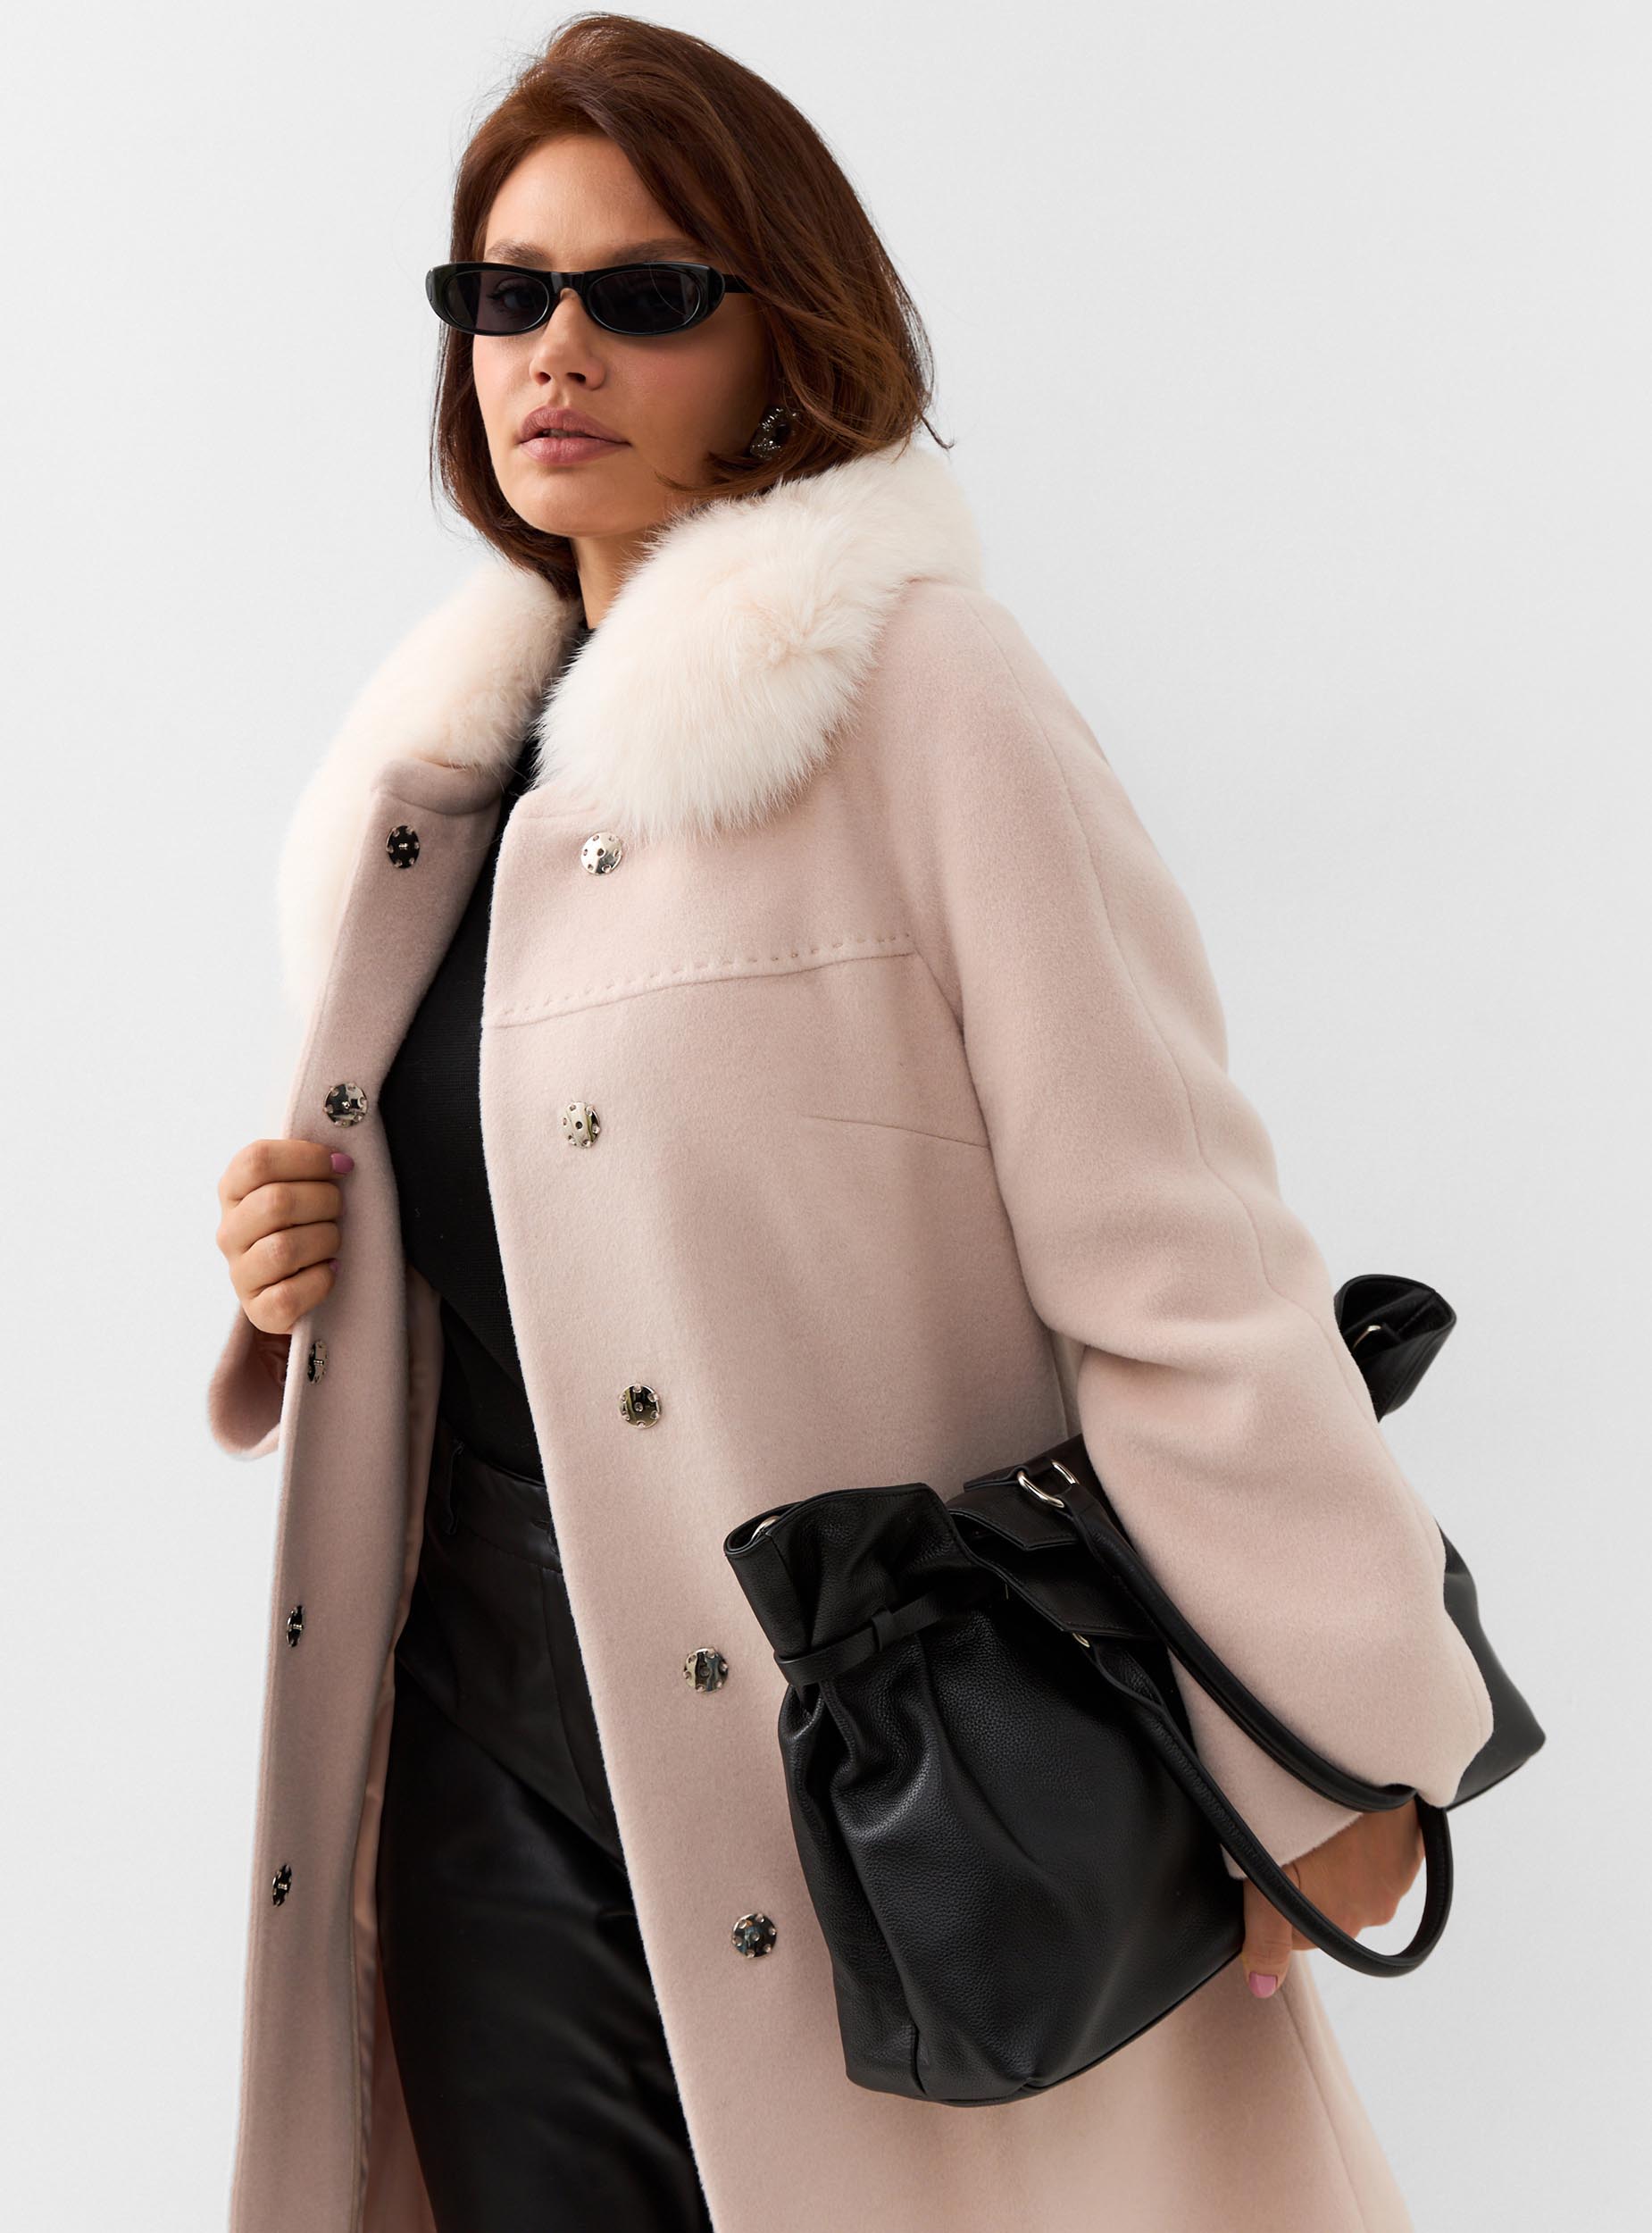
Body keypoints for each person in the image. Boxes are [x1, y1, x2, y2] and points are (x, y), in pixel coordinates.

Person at [208, 16, 1494, 2233]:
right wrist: (288, 1254)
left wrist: (1336, 1743)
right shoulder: (428, 793)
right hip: (482, 1758)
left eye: (643, 293)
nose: (555, 350)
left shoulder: (922, 696)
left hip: (880, 1772)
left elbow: (1174, 1254)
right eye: (504, 294)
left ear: (779, 334)